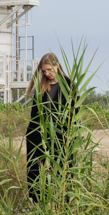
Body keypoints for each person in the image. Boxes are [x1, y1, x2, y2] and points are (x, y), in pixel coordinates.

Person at [25, 52, 70, 202]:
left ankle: (62, 202)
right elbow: (35, 113)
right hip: (39, 133)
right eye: (44, 71)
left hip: (60, 135)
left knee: (62, 169)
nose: (47, 73)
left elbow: (73, 113)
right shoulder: (41, 86)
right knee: (35, 169)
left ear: (57, 66)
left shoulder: (69, 85)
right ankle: (36, 202)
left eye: (49, 70)